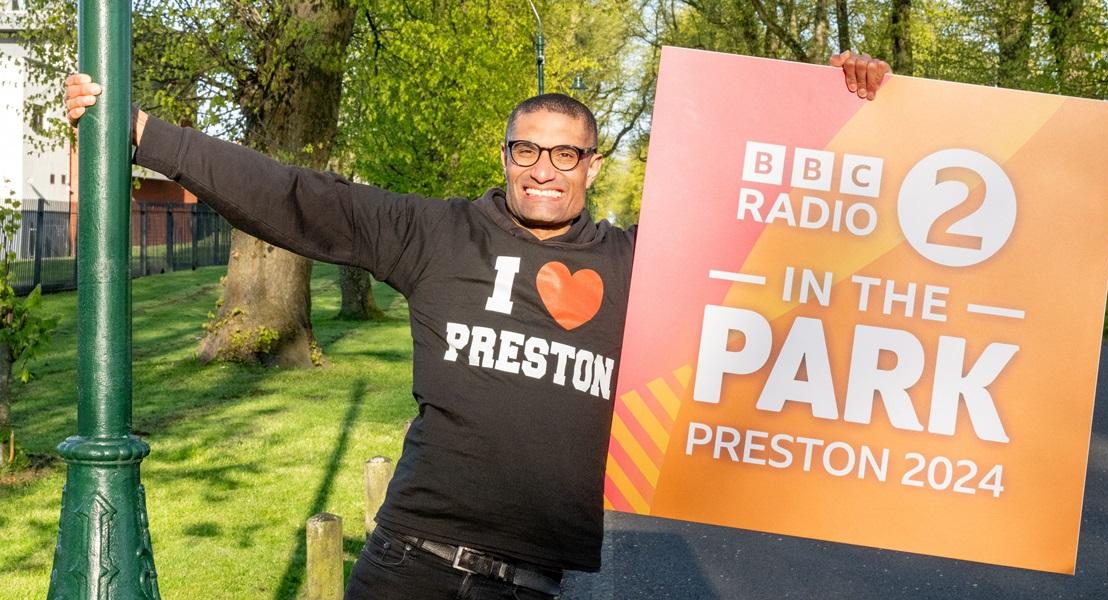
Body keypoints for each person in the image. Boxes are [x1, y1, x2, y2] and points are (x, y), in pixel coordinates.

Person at [65, 50, 890, 600]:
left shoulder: (646, 263)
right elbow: (294, 198)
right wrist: (145, 134)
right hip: (408, 566)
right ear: (505, 155)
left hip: (536, 583)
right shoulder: (437, 234)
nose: (543, 168)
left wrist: (848, 105)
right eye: (526, 149)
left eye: (565, 154)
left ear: (593, 165)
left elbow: (776, 230)